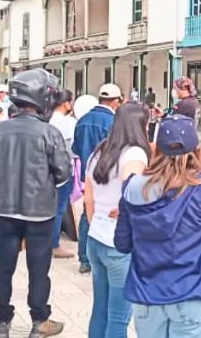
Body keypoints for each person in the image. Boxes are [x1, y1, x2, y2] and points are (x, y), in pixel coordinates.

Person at [115, 115, 201, 337]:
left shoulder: (132, 187)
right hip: (193, 293)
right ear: (196, 149)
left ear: (157, 148)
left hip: (147, 297)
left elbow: (122, 243)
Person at [0, 68, 72, 338]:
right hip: (40, 214)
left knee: (3, 267)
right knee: (39, 269)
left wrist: (7, 179)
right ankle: (39, 321)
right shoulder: (49, 132)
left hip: (6, 210)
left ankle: (1, 323)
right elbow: (63, 173)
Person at [85, 103, 151, 338]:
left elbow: (88, 197)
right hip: (118, 245)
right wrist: (127, 208)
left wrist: (96, 222)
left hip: (96, 238)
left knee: (100, 311)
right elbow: (132, 184)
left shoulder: (99, 152)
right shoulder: (134, 153)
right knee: (119, 317)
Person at [73, 83, 122, 274]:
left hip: (88, 172)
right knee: (106, 214)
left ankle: (84, 259)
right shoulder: (112, 122)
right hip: (107, 175)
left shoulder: (83, 120)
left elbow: (76, 149)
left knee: (87, 214)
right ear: (116, 101)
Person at [48, 89, 77, 259]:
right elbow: (72, 149)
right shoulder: (68, 123)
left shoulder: (49, 120)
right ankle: (54, 244)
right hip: (64, 169)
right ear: (66, 103)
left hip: (48, 169)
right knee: (59, 208)